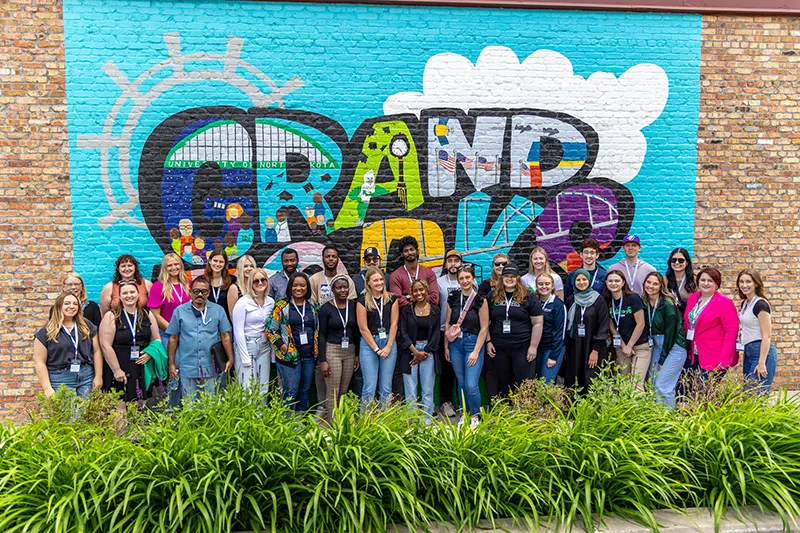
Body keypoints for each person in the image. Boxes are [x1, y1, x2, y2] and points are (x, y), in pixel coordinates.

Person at [166, 276, 234, 402]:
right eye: (196, 291)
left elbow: (225, 335)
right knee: (189, 404)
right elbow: (173, 338)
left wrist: (230, 358)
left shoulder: (218, 310)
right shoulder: (179, 311)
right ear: (190, 292)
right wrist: (171, 363)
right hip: (187, 364)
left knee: (210, 403)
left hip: (210, 365)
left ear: (208, 293)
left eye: (204, 291)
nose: (200, 295)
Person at [486, 264, 544, 398]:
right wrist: (488, 341)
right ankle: (505, 411)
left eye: (513, 276)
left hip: (522, 347)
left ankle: (525, 411)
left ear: (518, 279)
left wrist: (533, 347)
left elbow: (537, 322)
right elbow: (485, 322)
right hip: (498, 347)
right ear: (502, 278)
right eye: (506, 276)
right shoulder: (493, 296)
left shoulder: (528, 296)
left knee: (525, 382)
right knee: (503, 381)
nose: (509, 279)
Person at [98, 280, 161, 402]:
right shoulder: (111, 316)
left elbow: (157, 338)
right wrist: (117, 370)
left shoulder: (147, 314)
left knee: (142, 403)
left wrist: (150, 353)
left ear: (138, 294)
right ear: (120, 297)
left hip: (142, 364)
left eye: (132, 292)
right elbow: (105, 345)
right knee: (120, 405)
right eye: (125, 293)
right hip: (120, 364)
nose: (129, 295)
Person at [34, 292, 103, 398]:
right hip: (60, 378)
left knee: (85, 413)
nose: (71, 306)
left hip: (86, 376)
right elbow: (39, 362)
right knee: (68, 413)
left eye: (75, 304)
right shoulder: (46, 331)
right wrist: (47, 388)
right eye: (67, 303)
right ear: (59, 306)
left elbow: (96, 351)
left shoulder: (87, 326)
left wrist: (98, 376)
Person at [444, 265, 489, 428]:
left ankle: (476, 414)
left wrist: (476, 351)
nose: (464, 281)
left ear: (473, 278)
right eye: (461, 278)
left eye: (467, 278)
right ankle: (464, 412)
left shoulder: (480, 299)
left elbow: (484, 327)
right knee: (461, 382)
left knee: (471, 384)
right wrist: (446, 346)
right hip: (456, 344)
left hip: (472, 342)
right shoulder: (453, 297)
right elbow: (448, 323)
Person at [268, 272, 319, 412]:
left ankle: (300, 420)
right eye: (295, 285)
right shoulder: (281, 306)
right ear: (290, 287)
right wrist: (283, 347)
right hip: (289, 357)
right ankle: (287, 423)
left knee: (305, 390)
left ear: (307, 287)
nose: (299, 288)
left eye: (302, 285)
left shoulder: (313, 306)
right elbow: (270, 330)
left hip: (309, 356)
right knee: (290, 392)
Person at [642, 272, 688, 408]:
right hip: (656, 344)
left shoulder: (667, 304)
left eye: (655, 283)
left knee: (663, 384)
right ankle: (657, 417)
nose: (651, 286)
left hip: (673, 346)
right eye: (648, 282)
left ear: (661, 286)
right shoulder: (645, 302)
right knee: (652, 382)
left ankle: (668, 419)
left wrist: (662, 359)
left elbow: (671, 334)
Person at [318, 275, 360, 422]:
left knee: (343, 389)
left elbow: (356, 332)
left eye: (345, 287)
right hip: (332, 350)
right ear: (333, 289)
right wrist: (322, 360)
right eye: (339, 287)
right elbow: (321, 335)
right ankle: (332, 423)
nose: (343, 290)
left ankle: (341, 421)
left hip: (350, 350)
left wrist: (357, 355)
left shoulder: (353, 306)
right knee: (333, 390)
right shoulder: (326, 309)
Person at [683, 267, 739, 375]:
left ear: (717, 284)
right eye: (703, 280)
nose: (705, 283)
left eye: (710, 281)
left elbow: (731, 332)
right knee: (686, 389)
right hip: (694, 354)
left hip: (714, 357)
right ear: (698, 282)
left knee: (706, 391)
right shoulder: (692, 299)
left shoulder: (724, 302)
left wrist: (723, 360)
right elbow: (688, 324)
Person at [398, 279, 440, 422]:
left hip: (428, 351)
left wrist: (425, 352)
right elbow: (402, 332)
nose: (419, 293)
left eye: (421, 289)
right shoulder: (406, 310)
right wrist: (415, 352)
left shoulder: (435, 309)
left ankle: (426, 421)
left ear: (427, 290)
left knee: (428, 389)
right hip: (410, 351)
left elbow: (436, 334)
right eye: (415, 290)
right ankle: (412, 420)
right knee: (410, 389)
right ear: (412, 293)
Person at [357, 267, 399, 408]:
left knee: (386, 387)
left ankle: (385, 421)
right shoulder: (362, 300)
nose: (379, 283)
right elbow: (363, 328)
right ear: (368, 282)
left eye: (381, 279)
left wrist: (388, 347)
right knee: (369, 386)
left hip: (388, 342)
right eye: (375, 280)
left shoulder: (392, 298)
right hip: (369, 345)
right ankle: (366, 422)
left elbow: (394, 324)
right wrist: (376, 349)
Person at [563, 269, 610, 393]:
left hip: (593, 346)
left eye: (584, 279)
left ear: (589, 281)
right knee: (575, 380)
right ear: (574, 282)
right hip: (575, 347)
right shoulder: (570, 300)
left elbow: (603, 326)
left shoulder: (598, 300)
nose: (581, 282)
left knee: (592, 380)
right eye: (578, 280)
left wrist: (595, 350)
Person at [231, 268, 274, 395]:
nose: (260, 283)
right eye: (256, 281)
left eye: (263, 279)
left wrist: (272, 355)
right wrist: (244, 357)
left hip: (264, 346)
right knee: (247, 388)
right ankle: (248, 415)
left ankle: (262, 415)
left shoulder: (270, 302)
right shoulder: (243, 302)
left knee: (263, 387)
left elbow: (271, 327)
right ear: (250, 283)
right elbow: (238, 330)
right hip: (247, 345)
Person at [604, 270, 650, 385]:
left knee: (636, 384)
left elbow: (641, 324)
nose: (613, 283)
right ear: (606, 283)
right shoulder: (608, 300)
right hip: (622, 347)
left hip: (640, 346)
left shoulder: (633, 298)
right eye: (610, 281)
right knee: (623, 384)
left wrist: (630, 345)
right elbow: (612, 326)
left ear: (623, 282)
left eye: (617, 281)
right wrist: (624, 346)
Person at [736, 269, 778, 393]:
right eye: (741, 282)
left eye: (748, 282)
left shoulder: (760, 304)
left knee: (757, 396)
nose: (744, 285)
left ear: (756, 283)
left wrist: (761, 363)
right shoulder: (745, 303)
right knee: (748, 394)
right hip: (749, 351)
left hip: (761, 352)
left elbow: (767, 336)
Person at [435, 250, 463, 418]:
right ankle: (446, 402)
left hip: (464, 332)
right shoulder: (439, 283)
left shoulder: (468, 281)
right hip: (443, 330)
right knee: (447, 368)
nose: (453, 264)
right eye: (450, 261)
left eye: (456, 261)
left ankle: (462, 401)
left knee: (463, 369)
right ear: (446, 264)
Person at [147, 253, 191, 348]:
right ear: (165, 268)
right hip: (167, 334)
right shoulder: (158, 286)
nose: (173, 267)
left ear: (181, 265)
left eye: (176, 264)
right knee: (170, 362)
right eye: (169, 265)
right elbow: (155, 314)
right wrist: (173, 330)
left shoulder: (188, 285)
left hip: (187, 334)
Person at [389, 236, 439, 307]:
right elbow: (397, 301)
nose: (409, 253)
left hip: (428, 315)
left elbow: (435, 299)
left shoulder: (429, 273)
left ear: (417, 251)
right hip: (406, 316)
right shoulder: (395, 276)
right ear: (401, 254)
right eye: (406, 251)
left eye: (412, 249)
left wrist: (407, 297)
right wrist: (421, 300)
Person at [534, 273, 566, 383]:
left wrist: (554, 356)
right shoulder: (534, 303)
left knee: (546, 383)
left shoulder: (558, 305)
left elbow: (560, 332)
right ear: (536, 286)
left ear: (552, 286)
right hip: (537, 349)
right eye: (540, 284)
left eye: (547, 284)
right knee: (536, 382)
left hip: (551, 349)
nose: (544, 287)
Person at [205, 250, 237, 320]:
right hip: (207, 325)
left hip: (227, 324)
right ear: (210, 261)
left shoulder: (233, 280)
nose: (217, 264)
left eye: (221, 262)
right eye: (215, 261)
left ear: (225, 264)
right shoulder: (202, 281)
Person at [665, 248, 697, 316]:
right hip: (669, 320)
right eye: (673, 260)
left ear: (687, 262)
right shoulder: (663, 280)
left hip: (688, 320)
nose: (677, 263)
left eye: (681, 260)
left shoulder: (695, 281)